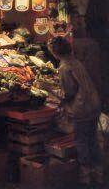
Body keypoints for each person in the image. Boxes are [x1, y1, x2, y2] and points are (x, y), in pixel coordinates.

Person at [45, 36, 102, 186]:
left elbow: (68, 93)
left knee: (82, 141)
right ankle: (98, 172)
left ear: (54, 52)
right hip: (93, 105)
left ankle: (86, 175)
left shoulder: (64, 67)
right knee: (92, 140)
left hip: (81, 108)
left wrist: (49, 90)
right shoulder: (76, 62)